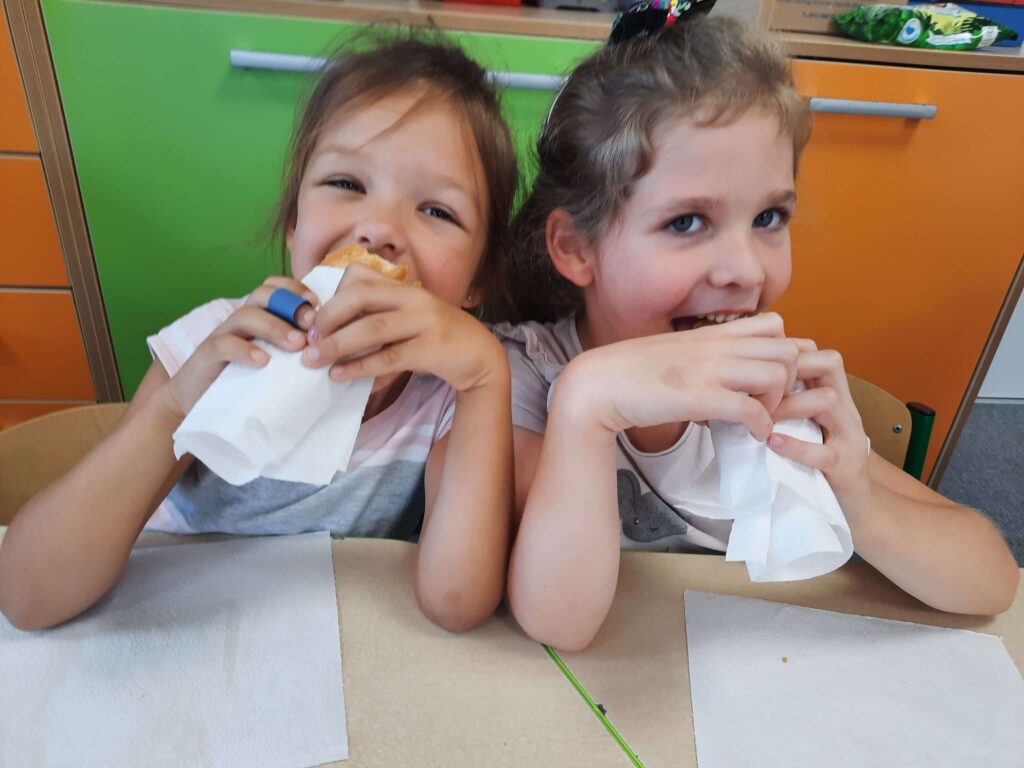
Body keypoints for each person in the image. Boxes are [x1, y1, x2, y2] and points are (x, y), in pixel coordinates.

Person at [490, 13, 1019, 651]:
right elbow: (559, 623)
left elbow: (992, 584)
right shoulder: (531, 378)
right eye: (686, 222)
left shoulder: (777, 389)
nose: (745, 271)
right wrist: (585, 406)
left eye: (769, 217)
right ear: (576, 248)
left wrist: (858, 497)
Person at [0, 34, 518, 633]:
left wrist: (485, 376)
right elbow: (26, 596)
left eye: (437, 211)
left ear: (480, 278)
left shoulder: (450, 394)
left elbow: (456, 603)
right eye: (347, 184)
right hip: (171, 629)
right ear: (295, 224)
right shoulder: (212, 343)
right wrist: (175, 408)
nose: (379, 230)